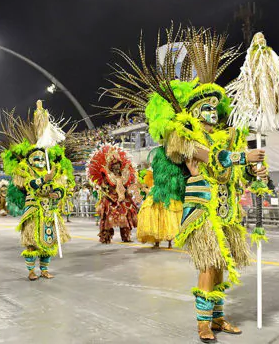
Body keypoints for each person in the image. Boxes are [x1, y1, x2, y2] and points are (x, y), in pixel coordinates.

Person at [100, 26, 269, 342]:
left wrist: (252, 174)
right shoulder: (185, 139)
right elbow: (212, 160)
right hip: (202, 209)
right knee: (208, 264)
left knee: (220, 265)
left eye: (214, 109)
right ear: (193, 110)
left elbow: (230, 173)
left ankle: (217, 318)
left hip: (225, 210)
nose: (211, 113)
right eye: (204, 108)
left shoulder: (223, 137)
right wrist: (243, 158)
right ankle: (202, 322)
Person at [0, 101, 73, 280]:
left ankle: (44, 269)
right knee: (32, 242)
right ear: (29, 160)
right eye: (35, 158)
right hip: (33, 210)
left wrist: (57, 193)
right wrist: (44, 179)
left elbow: (62, 186)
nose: (39, 160)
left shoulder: (53, 169)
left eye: (41, 158)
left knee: (49, 240)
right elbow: (29, 185)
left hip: (50, 209)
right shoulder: (25, 170)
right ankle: (31, 271)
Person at [87, 144, 138, 244]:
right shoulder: (107, 176)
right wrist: (107, 192)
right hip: (110, 199)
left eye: (118, 166)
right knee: (108, 220)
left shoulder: (123, 175)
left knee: (125, 218)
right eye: (115, 167)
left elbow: (126, 186)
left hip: (122, 199)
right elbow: (103, 187)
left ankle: (126, 236)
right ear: (111, 167)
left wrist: (128, 193)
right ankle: (106, 237)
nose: (117, 169)